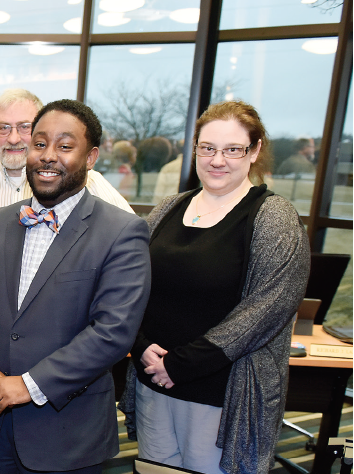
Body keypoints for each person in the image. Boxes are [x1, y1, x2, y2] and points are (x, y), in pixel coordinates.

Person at [0, 99, 151, 474]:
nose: (48, 156)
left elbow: (112, 332)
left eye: (64, 146)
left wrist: (28, 385)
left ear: (90, 158)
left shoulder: (122, 231)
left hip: (67, 435)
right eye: (39, 144)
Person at [120, 100, 310, 474]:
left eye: (232, 149)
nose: (217, 160)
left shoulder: (273, 216)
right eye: (207, 148)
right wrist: (141, 348)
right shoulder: (169, 208)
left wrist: (181, 364)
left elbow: (268, 308)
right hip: (153, 381)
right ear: (195, 149)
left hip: (220, 395)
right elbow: (128, 284)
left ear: (254, 151)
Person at [0, 88, 132, 217]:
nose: (13, 139)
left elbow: (128, 233)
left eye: (25, 127)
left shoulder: (89, 182)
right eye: (3, 128)